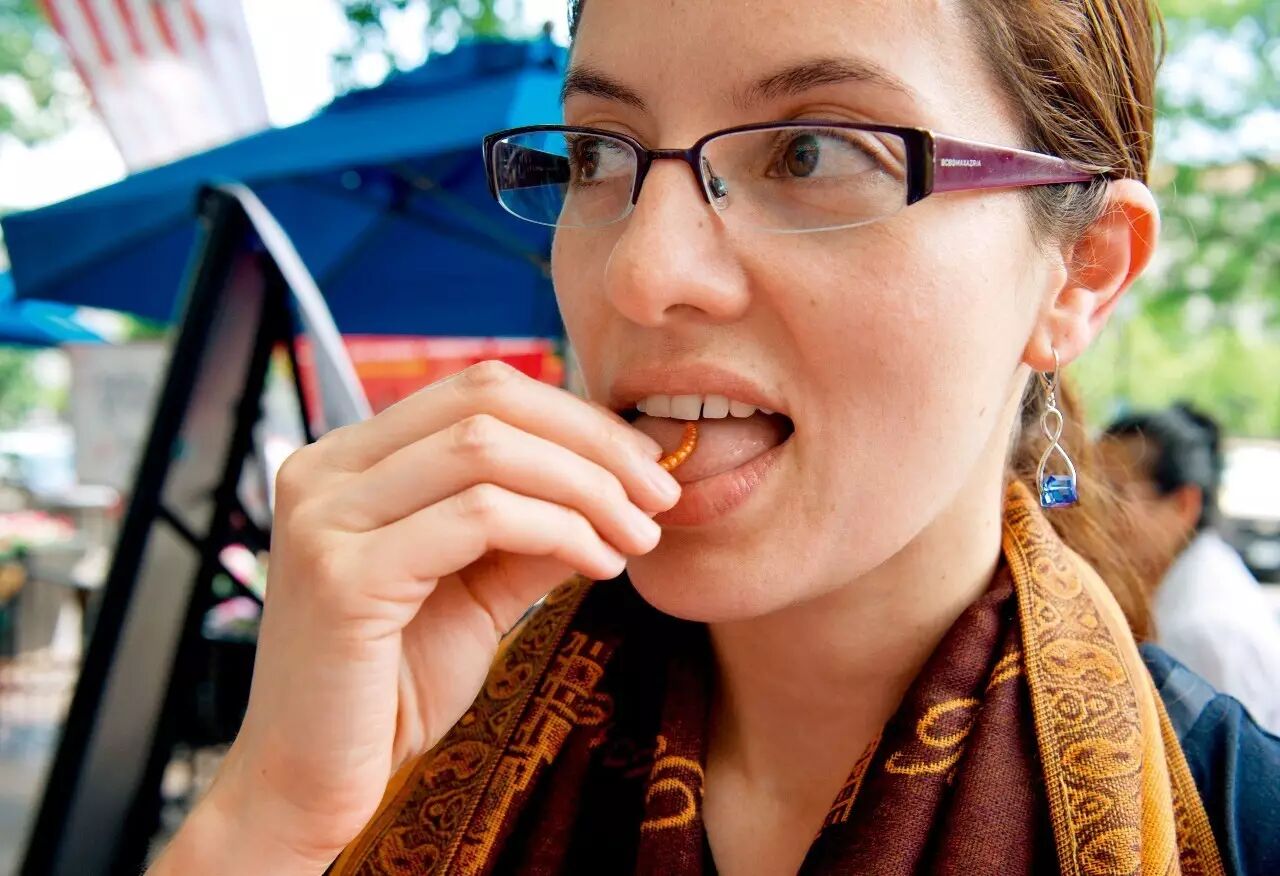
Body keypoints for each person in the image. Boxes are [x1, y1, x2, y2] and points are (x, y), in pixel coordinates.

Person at [151, 1, 1280, 873]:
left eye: (811, 151)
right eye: (597, 154)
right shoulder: (409, 735)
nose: (642, 273)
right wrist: (271, 815)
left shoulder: (1241, 824)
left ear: (1079, 273)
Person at [1101, 405, 1280, 733]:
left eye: (1114, 493)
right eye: (1089, 492)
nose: (1092, 514)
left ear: (1184, 504)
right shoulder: (1191, 577)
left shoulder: (1204, 630)